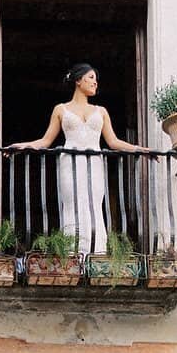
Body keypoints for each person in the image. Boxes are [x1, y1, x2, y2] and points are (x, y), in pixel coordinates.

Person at [12, 64, 149, 253]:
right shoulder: (61, 109)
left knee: (93, 205)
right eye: (91, 77)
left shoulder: (101, 111)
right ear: (78, 80)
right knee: (72, 204)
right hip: (70, 164)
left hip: (94, 164)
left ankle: (96, 254)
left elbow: (113, 141)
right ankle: (71, 255)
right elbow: (45, 141)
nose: (95, 82)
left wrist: (139, 149)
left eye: (96, 79)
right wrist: (23, 145)